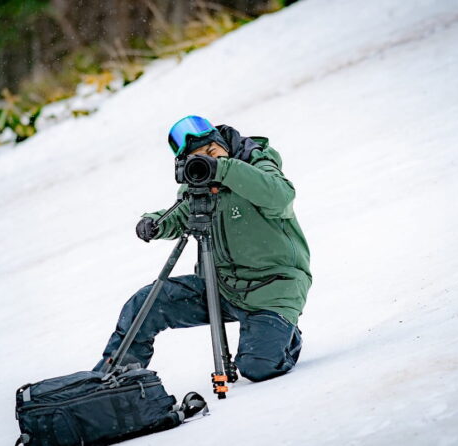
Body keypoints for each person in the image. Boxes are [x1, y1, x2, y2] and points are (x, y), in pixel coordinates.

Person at [94, 116, 311, 382]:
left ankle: (284, 335)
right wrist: (155, 223)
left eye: (212, 151)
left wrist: (223, 169)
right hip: (222, 287)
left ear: (223, 144)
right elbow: (182, 214)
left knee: (258, 367)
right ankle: (111, 379)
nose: (210, 160)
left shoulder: (257, 162)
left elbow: (280, 197)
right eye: (200, 158)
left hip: (273, 288)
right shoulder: (199, 181)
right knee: (147, 303)